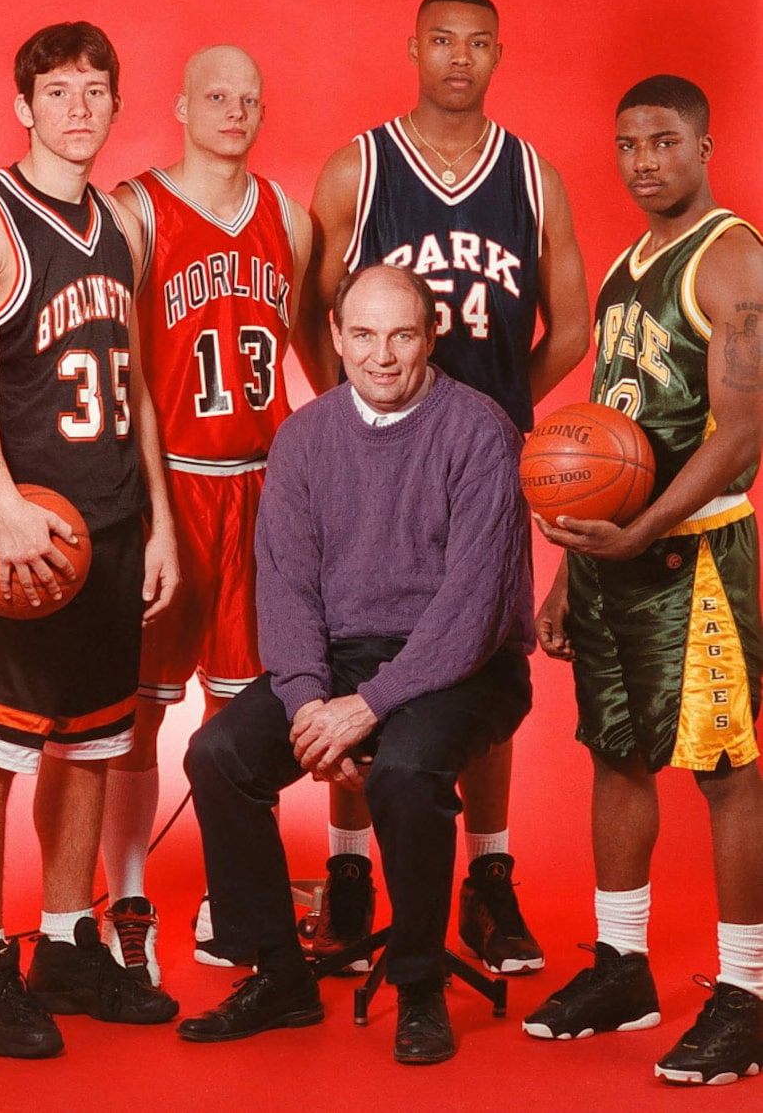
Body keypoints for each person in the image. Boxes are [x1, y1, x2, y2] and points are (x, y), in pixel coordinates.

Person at [297, 0, 588, 974]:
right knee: (354, 648)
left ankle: (488, 881)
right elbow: (313, 309)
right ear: (411, 47)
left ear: (497, 54)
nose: (457, 58)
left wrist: (504, 408)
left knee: (479, 654)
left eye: (475, 43)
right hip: (378, 456)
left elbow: (573, 325)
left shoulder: (532, 176)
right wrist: (353, 417)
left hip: (491, 467)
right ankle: (346, 875)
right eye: (439, 41)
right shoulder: (359, 168)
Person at [177, 263, 534, 1064]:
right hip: (341, 658)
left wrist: (367, 708)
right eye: (363, 335)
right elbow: (289, 587)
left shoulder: (479, 430)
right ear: (334, 336)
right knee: (219, 753)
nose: (382, 356)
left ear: (430, 336)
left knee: (403, 774)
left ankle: (416, 985)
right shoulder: (305, 439)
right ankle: (279, 977)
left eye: (402, 335)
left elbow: (471, 611)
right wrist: (309, 704)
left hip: (465, 664)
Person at [0, 22, 181, 1060]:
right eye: (59, 91)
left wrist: (159, 518)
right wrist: (1, 504)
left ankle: (70, 943)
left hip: (111, 532)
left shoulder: (124, 223)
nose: (79, 108)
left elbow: (135, 389)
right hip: (14, 537)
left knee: (90, 743)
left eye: (96, 91)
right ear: (23, 107)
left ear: (116, 107)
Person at [523, 75, 763, 1087]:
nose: (641, 161)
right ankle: (621, 965)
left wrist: (643, 528)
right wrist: (572, 564)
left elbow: (746, 424)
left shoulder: (732, 261)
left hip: (696, 551)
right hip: (611, 561)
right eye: (625, 145)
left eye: (661, 142)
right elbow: (600, 432)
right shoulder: (626, 265)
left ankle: (748, 995)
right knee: (614, 755)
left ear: (703, 145)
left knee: (725, 770)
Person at [104, 45, 312, 984]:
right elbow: (125, 372)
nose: (234, 111)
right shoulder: (137, 210)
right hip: (171, 482)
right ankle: (130, 898)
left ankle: (234, 904)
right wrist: (144, 510)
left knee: (239, 720)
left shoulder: (292, 222)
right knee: (137, 717)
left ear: (264, 111)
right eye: (216, 96)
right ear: (182, 105)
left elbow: (326, 360)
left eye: (249, 98)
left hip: (262, 487)